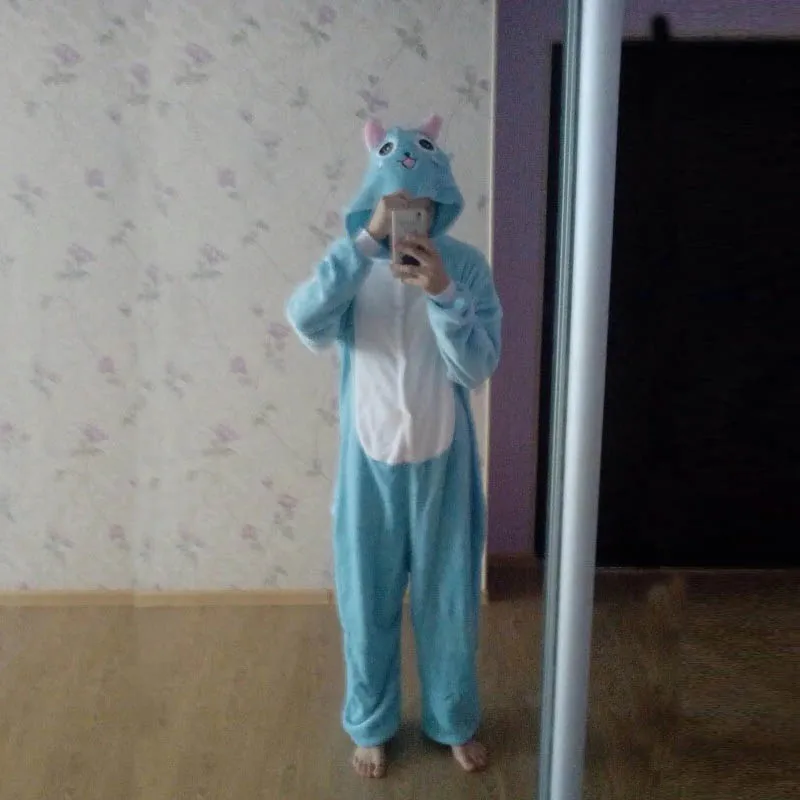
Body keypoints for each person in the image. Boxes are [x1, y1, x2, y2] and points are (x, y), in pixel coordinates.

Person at [285, 114, 502, 778]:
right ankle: (371, 722)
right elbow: (306, 320)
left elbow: (478, 366)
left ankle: (452, 719)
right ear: (378, 197)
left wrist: (444, 294)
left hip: (443, 461)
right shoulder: (352, 265)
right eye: (401, 202)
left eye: (425, 203)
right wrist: (364, 242)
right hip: (369, 463)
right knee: (365, 600)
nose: (415, 214)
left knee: (449, 601)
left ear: (442, 201)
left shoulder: (464, 267)